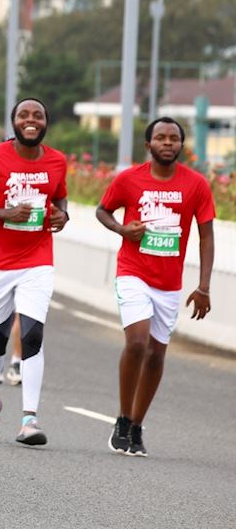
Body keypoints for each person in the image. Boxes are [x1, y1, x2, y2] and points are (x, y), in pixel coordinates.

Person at [95, 116, 216, 457]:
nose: (167, 143)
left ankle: (136, 425)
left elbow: (206, 237)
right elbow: (102, 210)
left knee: (156, 355)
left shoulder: (196, 185)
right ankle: (121, 418)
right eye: (160, 138)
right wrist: (121, 230)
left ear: (181, 145)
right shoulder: (130, 180)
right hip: (133, 272)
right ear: (148, 145)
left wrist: (203, 286)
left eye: (173, 138)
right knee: (136, 343)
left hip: (169, 283)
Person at [0, 98, 69, 448]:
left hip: (37, 260)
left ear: (46, 122)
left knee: (33, 334)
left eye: (38, 115)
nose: (31, 120)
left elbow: (60, 199)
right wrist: (6, 214)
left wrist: (62, 216)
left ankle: (29, 419)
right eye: (24, 115)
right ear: (14, 122)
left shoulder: (57, 161)